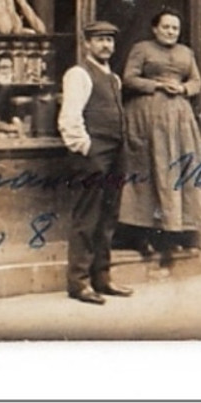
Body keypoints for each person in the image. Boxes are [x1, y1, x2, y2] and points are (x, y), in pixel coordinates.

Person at [119, 8, 201, 261]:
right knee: (149, 171)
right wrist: (157, 84)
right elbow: (129, 79)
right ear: (155, 28)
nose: (170, 32)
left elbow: (196, 82)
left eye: (175, 28)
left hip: (179, 118)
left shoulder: (186, 53)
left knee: (177, 171)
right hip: (146, 118)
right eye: (166, 27)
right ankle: (143, 235)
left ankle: (173, 235)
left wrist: (182, 87)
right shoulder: (142, 48)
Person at [58, 21, 133, 304]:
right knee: (87, 217)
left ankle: (102, 278)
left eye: (110, 41)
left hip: (116, 153)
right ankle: (79, 283)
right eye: (100, 40)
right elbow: (70, 117)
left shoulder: (113, 79)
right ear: (87, 44)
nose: (106, 46)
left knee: (108, 216)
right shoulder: (78, 74)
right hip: (93, 154)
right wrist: (85, 147)